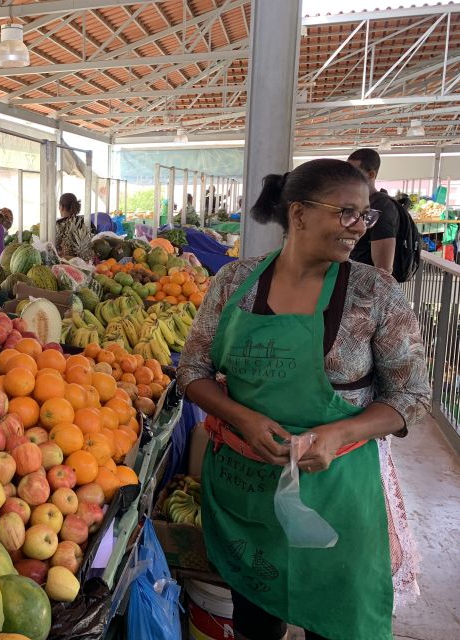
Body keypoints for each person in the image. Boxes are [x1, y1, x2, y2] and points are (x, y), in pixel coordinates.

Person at [176, 158, 428, 640]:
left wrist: (338, 433)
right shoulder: (234, 282)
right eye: (346, 213)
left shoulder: (375, 293)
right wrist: (243, 418)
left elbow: (412, 394)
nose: (358, 228)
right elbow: (192, 371)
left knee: (336, 618)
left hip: (336, 488)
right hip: (247, 486)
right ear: (298, 214)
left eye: (366, 216)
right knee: (255, 617)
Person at [347, 148, 399, 276]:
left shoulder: (381, 207)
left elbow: (384, 269)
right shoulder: (358, 203)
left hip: (365, 286)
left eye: (354, 173)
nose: (347, 177)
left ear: (371, 175)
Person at [55, 193, 95, 258]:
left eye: (59, 206)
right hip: (86, 258)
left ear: (61, 207)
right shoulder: (86, 222)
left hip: (64, 259)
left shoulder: (58, 224)